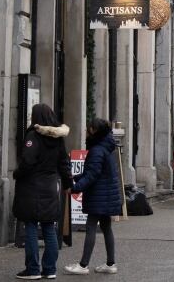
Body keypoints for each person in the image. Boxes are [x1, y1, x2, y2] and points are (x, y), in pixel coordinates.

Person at [13, 104, 72, 280]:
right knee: (49, 227)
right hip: (50, 186)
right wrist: (68, 183)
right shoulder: (58, 138)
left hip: (31, 186)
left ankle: (32, 269)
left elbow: (28, 162)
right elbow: (64, 163)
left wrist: (17, 173)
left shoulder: (33, 135)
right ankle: (49, 269)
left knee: (30, 225)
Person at [64, 118, 122, 276]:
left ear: (94, 131)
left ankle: (83, 265)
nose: (86, 131)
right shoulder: (106, 147)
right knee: (106, 227)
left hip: (99, 195)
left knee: (91, 226)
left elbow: (92, 175)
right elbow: (94, 171)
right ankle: (111, 263)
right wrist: (76, 177)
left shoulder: (97, 149)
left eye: (88, 128)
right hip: (107, 195)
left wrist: (75, 188)